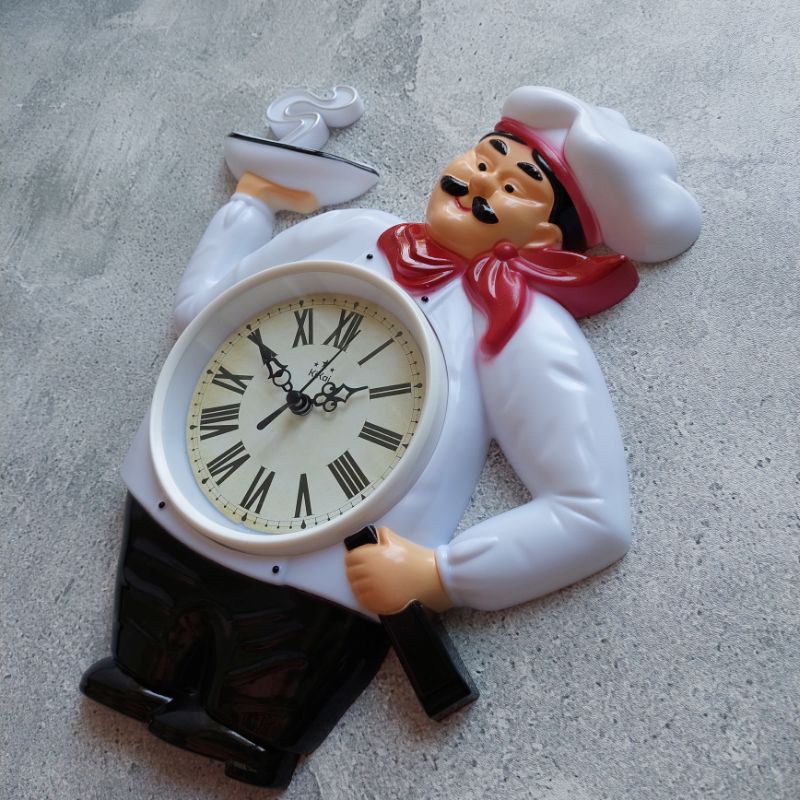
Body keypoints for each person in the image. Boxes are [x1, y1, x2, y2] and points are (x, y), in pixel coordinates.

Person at [81, 86, 700, 788]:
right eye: (484, 159)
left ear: (545, 241)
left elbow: (593, 514)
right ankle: (140, 672)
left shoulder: (524, 330)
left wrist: (443, 574)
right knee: (148, 633)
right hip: (178, 490)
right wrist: (249, 205)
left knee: (259, 689)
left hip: (316, 582)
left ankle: (247, 730)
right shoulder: (354, 232)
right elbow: (206, 313)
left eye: (514, 186)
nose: (482, 183)